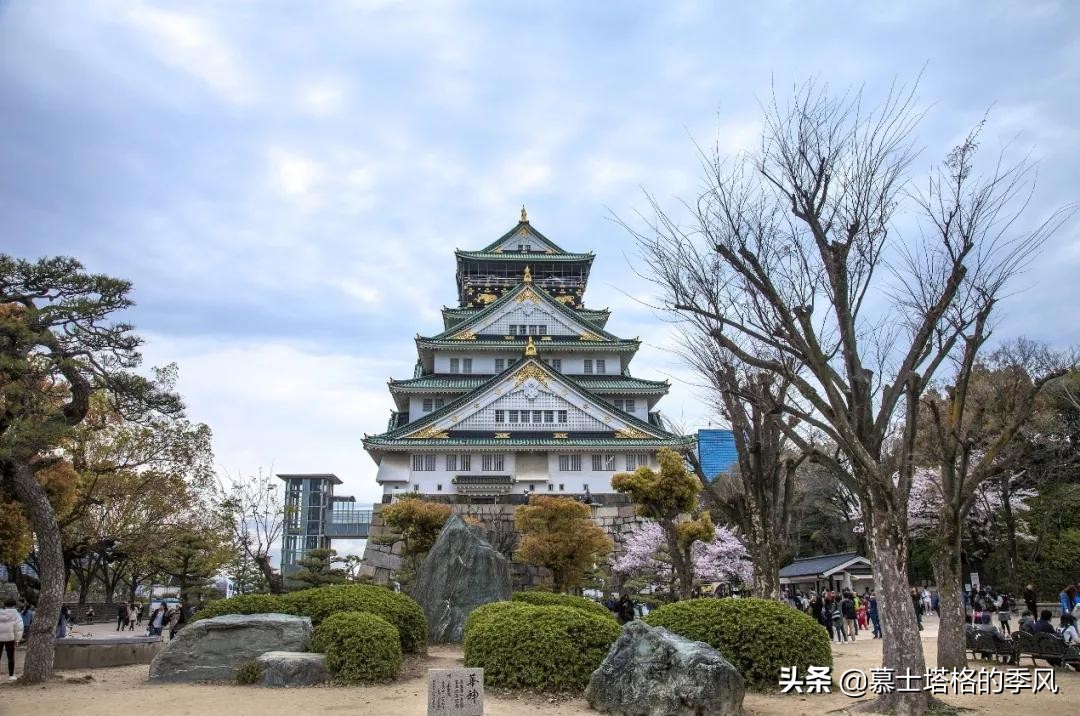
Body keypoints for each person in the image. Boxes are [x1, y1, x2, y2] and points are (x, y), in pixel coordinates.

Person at [0, 598, 23, 681]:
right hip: (10, 638)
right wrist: (17, 640)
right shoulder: (16, 614)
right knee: (10, 657)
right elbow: (19, 628)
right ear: (14, 605)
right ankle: (11, 675)